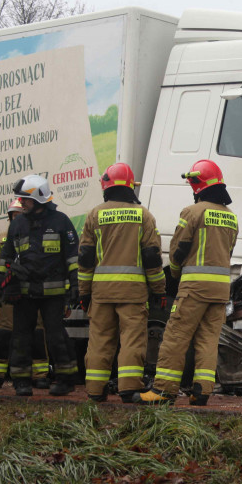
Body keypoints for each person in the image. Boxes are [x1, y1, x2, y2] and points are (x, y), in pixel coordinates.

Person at [135, 159, 237, 405]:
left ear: (199, 184)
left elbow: (178, 250)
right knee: (208, 339)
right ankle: (202, 391)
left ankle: (163, 391)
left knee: (175, 335)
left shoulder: (192, 213)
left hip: (194, 287)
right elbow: (229, 251)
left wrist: (176, 273)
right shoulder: (231, 217)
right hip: (221, 289)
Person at [78, 163, 166, 403]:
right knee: (132, 339)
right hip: (133, 292)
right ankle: (129, 388)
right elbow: (151, 257)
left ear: (106, 184)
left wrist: (84, 293)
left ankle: (95, 390)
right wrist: (159, 289)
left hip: (101, 292)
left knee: (100, 340)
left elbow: (85, 258)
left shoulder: (94, 215)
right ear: (130, 186)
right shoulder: (143, 215)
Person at [0, 174, 80, 397]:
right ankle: (21, 382)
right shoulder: (18, 224)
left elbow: (73, 257)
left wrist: (75, 286)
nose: (21, 203)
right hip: (24, 293)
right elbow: (6, 258)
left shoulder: (61, 222)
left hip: (53, 294)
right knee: (21, 337)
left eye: (25, 199)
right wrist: (1, 285)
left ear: (39, 199)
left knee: (56, 336)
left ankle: (65, 380)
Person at [0, 198, 49, 390]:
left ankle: (40, 375)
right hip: (8, 293)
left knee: (37, 334)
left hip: (33, 292)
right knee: (3, 333)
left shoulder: (40, 236)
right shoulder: (2, 238)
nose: (17, 219)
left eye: (21, 215)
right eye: (14, 215)